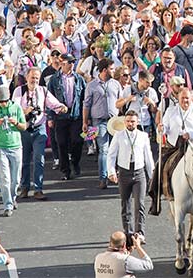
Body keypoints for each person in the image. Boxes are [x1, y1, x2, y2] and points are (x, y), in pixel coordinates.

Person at [12, 66, 66, 200]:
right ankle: (24, 187)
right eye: (32, 77)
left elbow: (53, 103)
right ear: (26, 78)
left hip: (39, 128)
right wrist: (25, 111)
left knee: (39, 159)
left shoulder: (43, 91)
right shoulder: (19, 91)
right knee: (24, 161)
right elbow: (14, 109)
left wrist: (61, 107)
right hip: (23, 129)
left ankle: (38, 189)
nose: (34, 80)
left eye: (37, 78)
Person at [107, 111, 155, 239]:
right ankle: (128, 233)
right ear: (124, 122)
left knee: (140, 203)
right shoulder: (119, 135)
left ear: (137, 122)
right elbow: (111, 155)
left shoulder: (143, 136)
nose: (130, 123)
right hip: (124, 172)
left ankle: (140, 233)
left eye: (133, 121)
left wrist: (152, 176)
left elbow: (148, 157)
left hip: (139, 172)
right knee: (125, 203)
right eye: (128, 121)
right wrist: (111, 171)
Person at [0, 87, 26, 217]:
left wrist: (16, 123)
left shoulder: (16, 108)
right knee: (5, 178)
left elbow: (24, 127)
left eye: (6, 101)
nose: (3, 104)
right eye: (1, 101)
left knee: (16, 179)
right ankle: (7, 205)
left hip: (15, 146)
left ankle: (13, 197)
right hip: (0, 147)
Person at [82, 59, 122, 189]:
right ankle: (103, 178)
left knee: (115, 149)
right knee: (104, 149)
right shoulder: (92, 85)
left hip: (114, 121)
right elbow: (86, 104)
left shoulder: (116, 84)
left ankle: (114, 174)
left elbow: (120, 102)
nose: (114, 71)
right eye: (112, 69)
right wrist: (85, 121)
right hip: (98, 121)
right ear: (104, 70)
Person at [46, 53, 86, 180]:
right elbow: (49, 98)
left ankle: (75, 161)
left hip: (76, 115)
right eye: (70, 62)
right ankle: (65, 170)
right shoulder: (54, 79)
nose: (72, 65)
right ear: (63, 63)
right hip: (61, 116)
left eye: (73, 62)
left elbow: (84, 98)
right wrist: (50, 117)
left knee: (77, 141)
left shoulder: (79, 79)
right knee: (61, 142)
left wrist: (86, 117)